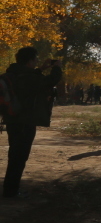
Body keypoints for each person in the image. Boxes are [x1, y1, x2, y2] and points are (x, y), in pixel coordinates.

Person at [3, 47, 62, 198]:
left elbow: (30, 81)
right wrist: (57, 69)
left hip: (12, 119)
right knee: (19, 156)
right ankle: (11, 191)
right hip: (25, 121)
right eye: (35, 60)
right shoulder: (28, 77)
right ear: (29, 61)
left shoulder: (13, 73)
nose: (37, 62)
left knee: (15, 154)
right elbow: (50, 81)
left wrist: (40, 69)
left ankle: (10, 188)